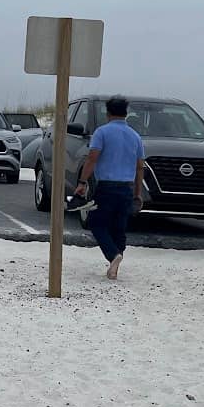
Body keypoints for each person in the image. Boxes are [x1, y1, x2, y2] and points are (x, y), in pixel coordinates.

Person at [74, 96, 146, 280]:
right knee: (119, 227)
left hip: (106, 186)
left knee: (96, 222)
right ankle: (115, 266)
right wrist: (138, 193)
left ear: (108, 113)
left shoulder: (102, 132)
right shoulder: (135, 136)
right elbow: (140, 167)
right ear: (126, 114)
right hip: (127, 188)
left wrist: (82, 182)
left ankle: (113, 255)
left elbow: (92, 158)